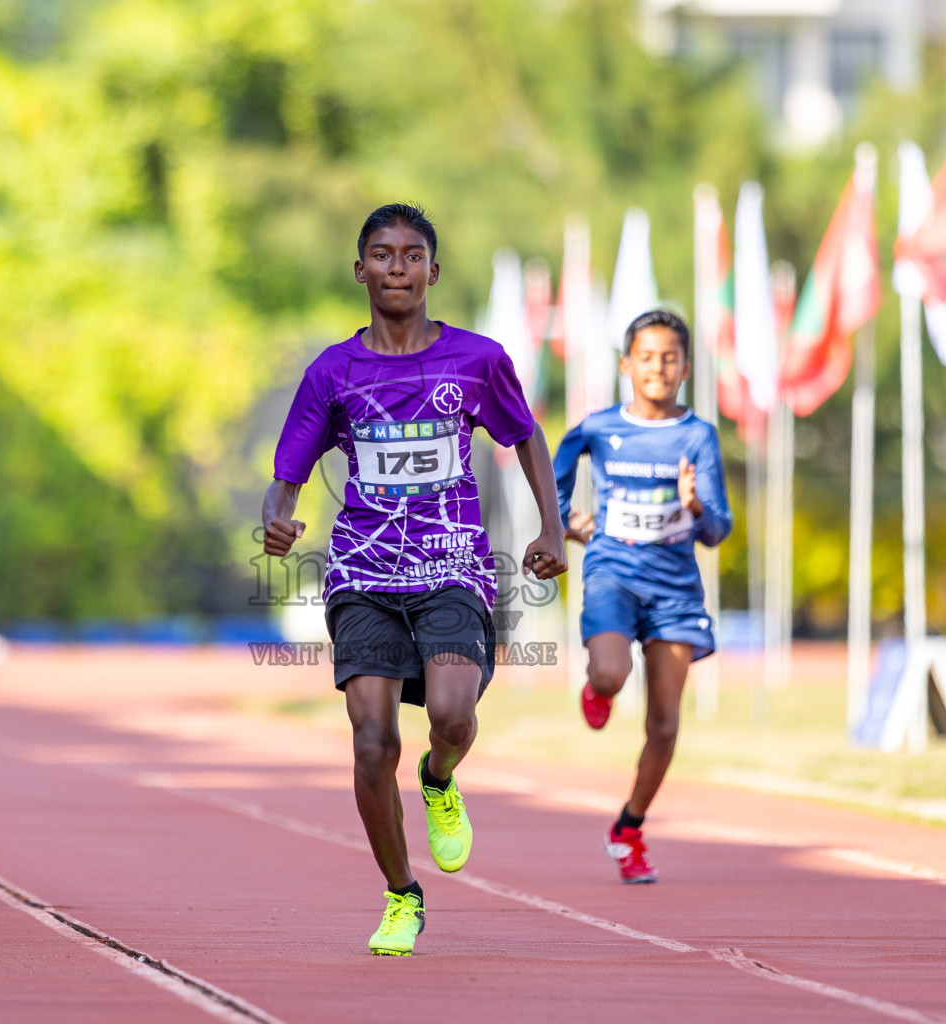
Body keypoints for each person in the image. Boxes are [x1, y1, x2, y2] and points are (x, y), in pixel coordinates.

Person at [263, 203, 566, 955]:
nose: (396, 267)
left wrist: (552, 527)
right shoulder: (331, 372)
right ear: (359, 268)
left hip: (453, 566)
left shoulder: (478, 358)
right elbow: (287, 476)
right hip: (362, 572)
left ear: (434, 269)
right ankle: (402, 894)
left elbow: (526, 436)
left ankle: (439, 778)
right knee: (371, 745)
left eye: (411, 255)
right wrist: (277, 520)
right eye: (381, 254)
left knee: (454, 717)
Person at [553, 308, 731, 883]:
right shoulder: (600, 428)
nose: (659, 367)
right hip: (612, 570)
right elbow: (550, 466)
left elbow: (717, 530)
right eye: (647, 357)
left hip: (675, 588)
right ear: (626, 364)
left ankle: (629, 828)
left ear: (685, 368)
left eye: (671, 358)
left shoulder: (698, 435)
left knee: (665, 725)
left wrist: (697, 503)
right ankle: (598, 687)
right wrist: (562, 520)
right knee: (610, 675)